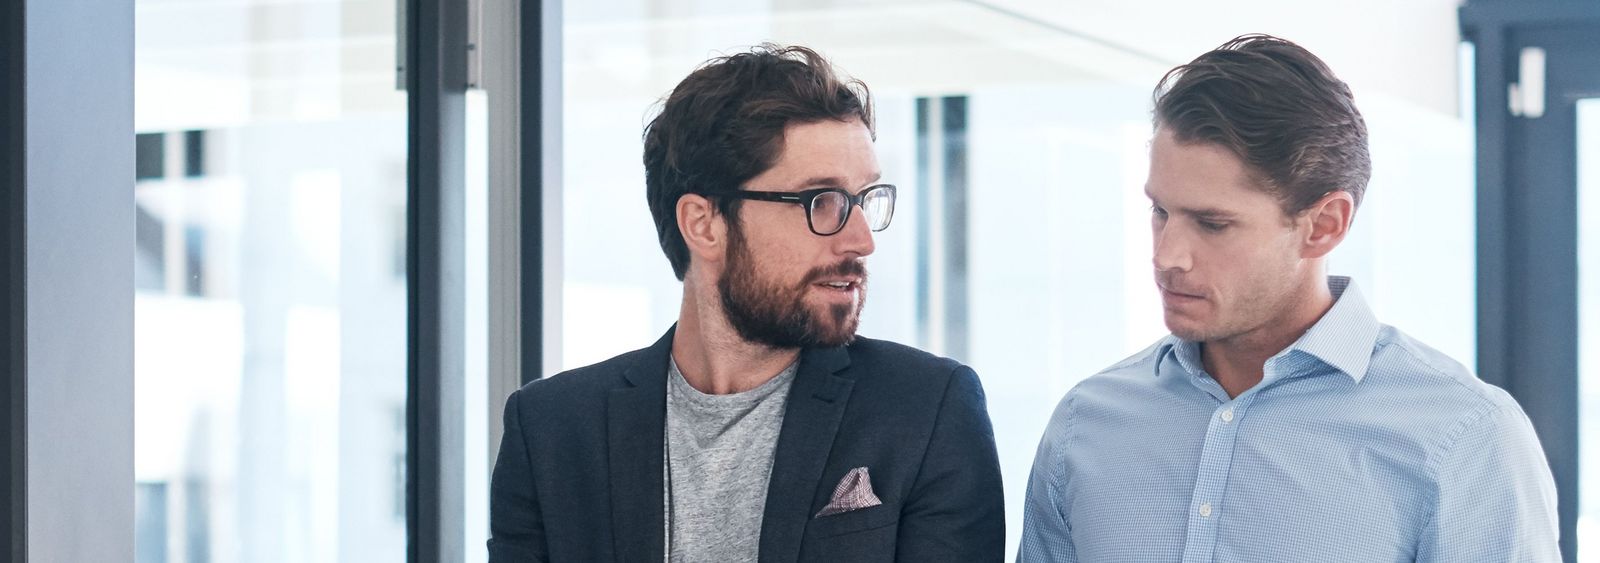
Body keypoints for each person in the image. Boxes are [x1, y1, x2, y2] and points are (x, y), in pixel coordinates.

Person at [1018, 34, 1559, 562]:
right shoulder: (1084, 424)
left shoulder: (1464, 436)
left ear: (1324, 226)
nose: (1167, 256)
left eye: (1212, 224)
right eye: (1161, 212)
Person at [488, 44, 1005, 563]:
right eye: (821, 201)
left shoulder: (927, 411)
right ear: (703, 223)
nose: (861, 239)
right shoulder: (550, 430)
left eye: (864, 198)